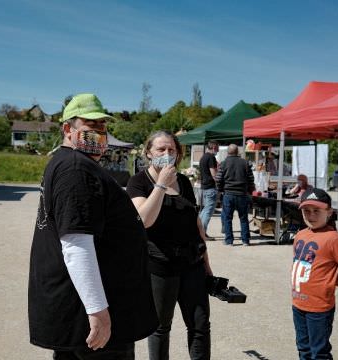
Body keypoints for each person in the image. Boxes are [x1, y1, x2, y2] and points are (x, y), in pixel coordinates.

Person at [28, 93, 158, 359]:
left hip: (85, 312)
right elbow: (77, 245)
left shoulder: (72, 164)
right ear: (68, 128)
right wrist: (98, 312)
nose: (99, 133)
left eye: (103, 126)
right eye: (90, 125)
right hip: (90, 318)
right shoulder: (76, 169)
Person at [126, 130, 212, 360]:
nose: (167, 154)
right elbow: (144, 220)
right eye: (161, 149)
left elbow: (197, 226)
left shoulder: (183, 181)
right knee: (161, 328)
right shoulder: (138, 182)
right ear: (148, 153)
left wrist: (207, 266)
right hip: (160, 267)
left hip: (192, 264)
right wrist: (161, 185)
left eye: (171, 150)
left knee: (200, 325)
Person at [291, 188, 338, 359]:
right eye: (306, 211)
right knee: (303, 347)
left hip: (319, 307)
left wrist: (334, 281)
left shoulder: (333, 238)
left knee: (319, 351)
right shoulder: (300, 235)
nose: (311, 215)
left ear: (329, 212)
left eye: (316, 211)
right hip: (298, 303)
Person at [216, 144, 255, 246]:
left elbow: (219, 179)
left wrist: (220, 190)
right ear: (237, 152)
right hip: (242, 194)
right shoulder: (245, 163)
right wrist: (250, 191)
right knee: (243, 218)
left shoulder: (223, 164)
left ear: (228, 152)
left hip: (228, 194)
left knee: (228, 218)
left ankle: (229, 241)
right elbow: (251, 179)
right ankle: (245, 240)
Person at [199, 141, 219, 238]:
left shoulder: (203, 157)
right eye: (217, 149)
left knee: (204, 210)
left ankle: (199, 231)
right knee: (208, 211)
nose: (218, 151)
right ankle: (203, 233)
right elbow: (214, 174)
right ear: (214, 147)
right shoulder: (211, 157)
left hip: (204, 186)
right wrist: (219, 183)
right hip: (210, 187)